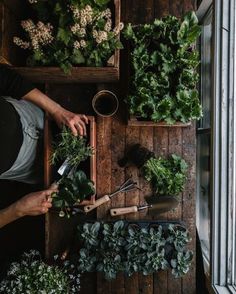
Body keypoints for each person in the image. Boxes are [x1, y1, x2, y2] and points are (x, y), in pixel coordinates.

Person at [0, 64, 88, 228]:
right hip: (27, 164)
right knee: (59, 179)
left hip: (31, 116)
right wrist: (18, 210)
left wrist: (56, 110)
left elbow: (4, 77)